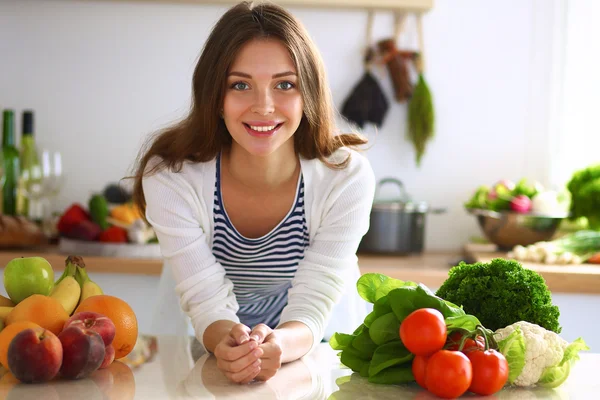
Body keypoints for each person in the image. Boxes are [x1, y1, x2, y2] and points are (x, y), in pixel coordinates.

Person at [132, 0, 375, 384]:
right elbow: (204, 297)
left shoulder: (345, 177)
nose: (263, 106)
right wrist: (230, 343)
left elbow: (317, 295)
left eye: (285, 84)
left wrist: (281, 341)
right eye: (240, 85)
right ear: (215, 95)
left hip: (318, 342)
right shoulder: (171, 177)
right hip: (199, 341)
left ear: (308, 91)